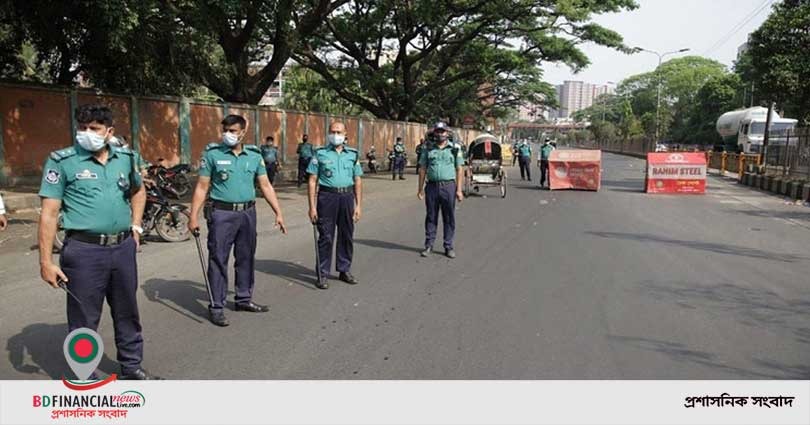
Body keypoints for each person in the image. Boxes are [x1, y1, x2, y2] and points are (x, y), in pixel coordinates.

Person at [37, 104, 159, 379]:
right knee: (84, 317)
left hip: (123, 248)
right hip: (84, 251)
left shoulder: (126, 158)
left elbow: (138, 191)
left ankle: (131, 366)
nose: (87, 133)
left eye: (94, 128)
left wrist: (136, 226)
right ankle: (84, 375)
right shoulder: (62, 161)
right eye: (82, 128)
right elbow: (49, 213)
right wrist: (46, 261)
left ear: (109, 132)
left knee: (127, 311)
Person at [188, 115, 288, 327]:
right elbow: (202, 187)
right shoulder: (212, 155)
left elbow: (265, 185)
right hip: (222, 214)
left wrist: (278, 212)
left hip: (247, 213)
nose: (228, 134)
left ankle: (243, 298)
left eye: (233, 131)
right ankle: (216, 306)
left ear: (243, 132)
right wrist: (193, 216)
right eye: (225, 130)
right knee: (218, 258)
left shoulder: (254, 155)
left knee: (246, 257)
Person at [307, 121, 363, 289]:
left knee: (346, 235)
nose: (335, 135)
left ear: (345, 134)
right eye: (332, 132)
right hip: (327, 197)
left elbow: (358, 180)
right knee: (326, 236)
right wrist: (312, 207)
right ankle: (322, 274)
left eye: (339, 132)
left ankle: (344, 269)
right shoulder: (320, 154)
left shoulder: (352, 154)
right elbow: (312, 180)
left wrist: (358, 205)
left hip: (347, 197)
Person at [418, 122, 464, 259]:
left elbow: (459, 169)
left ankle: (448, 246)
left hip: (448, 186)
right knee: (431, 216)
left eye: (442, 131)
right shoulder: (427, 149)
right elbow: (422, 169)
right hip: (432, 187)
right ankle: (429, 245)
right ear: (434, 133)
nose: (440, 134)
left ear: (447, 133)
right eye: (437, 131)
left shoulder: (454, 148)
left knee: (448, 217)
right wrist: (420, 189)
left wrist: (459, 190)